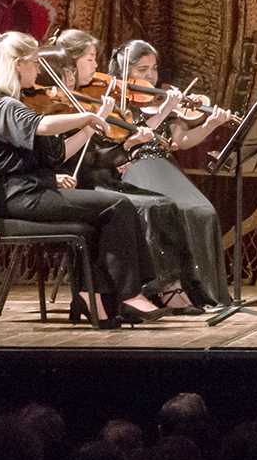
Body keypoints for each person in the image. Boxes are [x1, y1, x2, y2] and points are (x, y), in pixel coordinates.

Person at [0, 32, 164, 327]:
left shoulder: (19, 105)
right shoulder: (3, 107)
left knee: (104, 215)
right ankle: (128, 294)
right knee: (118, 205)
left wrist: (89, 127)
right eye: (34, 63)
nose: (38, 70)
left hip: (38, 190)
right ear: (17, 65)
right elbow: (43, 126)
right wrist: (83, 118)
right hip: (22, 197)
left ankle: (93, 297)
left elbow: (60, 151)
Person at [48, 31, 231, 311]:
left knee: (163, 205)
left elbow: (115, 148)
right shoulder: (69, 104)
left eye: (153, 69)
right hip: (90, 182)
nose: (97, 69)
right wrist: (112, 136)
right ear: (70, 66)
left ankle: (175, 288)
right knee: (148, 207)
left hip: (109, 175)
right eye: (89, 60)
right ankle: (141, 292)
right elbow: (74, 156)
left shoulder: (101, 99)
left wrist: (146, 127)